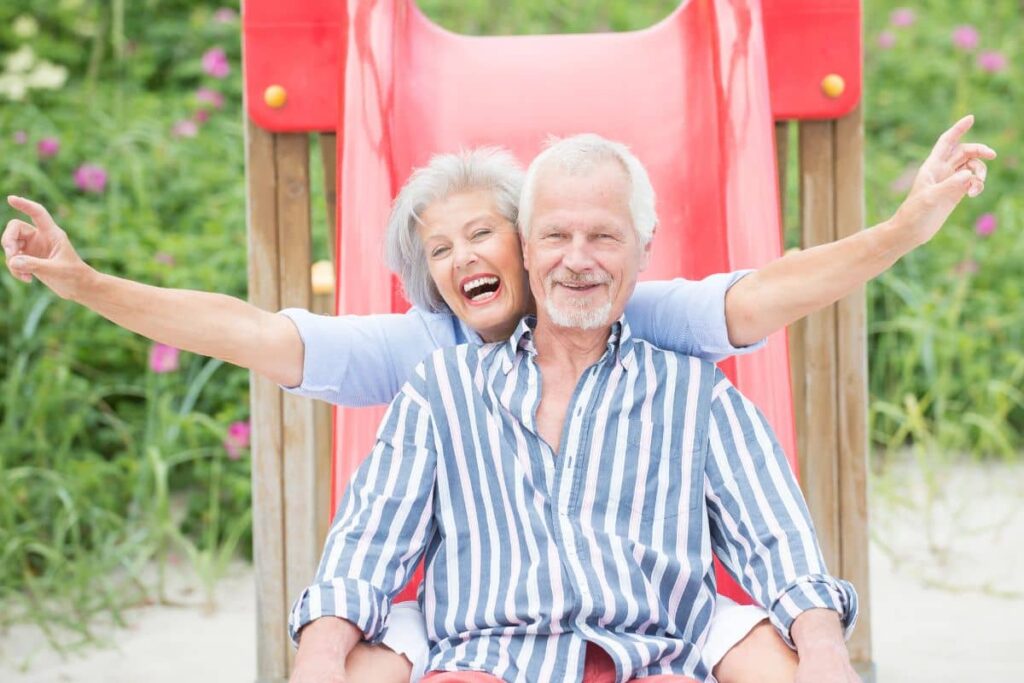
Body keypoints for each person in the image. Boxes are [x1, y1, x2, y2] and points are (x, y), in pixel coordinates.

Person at [1, 117, 994, 682]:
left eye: (485, 234)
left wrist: (906, 227)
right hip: (479, 615)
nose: (471, 257)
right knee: (369, 651)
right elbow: (255, 336)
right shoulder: (427, 365)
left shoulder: (653, 326)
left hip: (647, 614)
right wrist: (86, 283)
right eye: (441, 250)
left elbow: (776, 289)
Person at [288, 133, 863, 683]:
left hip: (650, 661)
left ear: (644, 248)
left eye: (605, 239)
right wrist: (318, 658)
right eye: (557, 237)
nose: (578, 261)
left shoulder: (697, 395)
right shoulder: (440, 390)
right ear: (528, 247)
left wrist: (823, 648)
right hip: (484, 663)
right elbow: (366, 548)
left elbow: (778, 543)